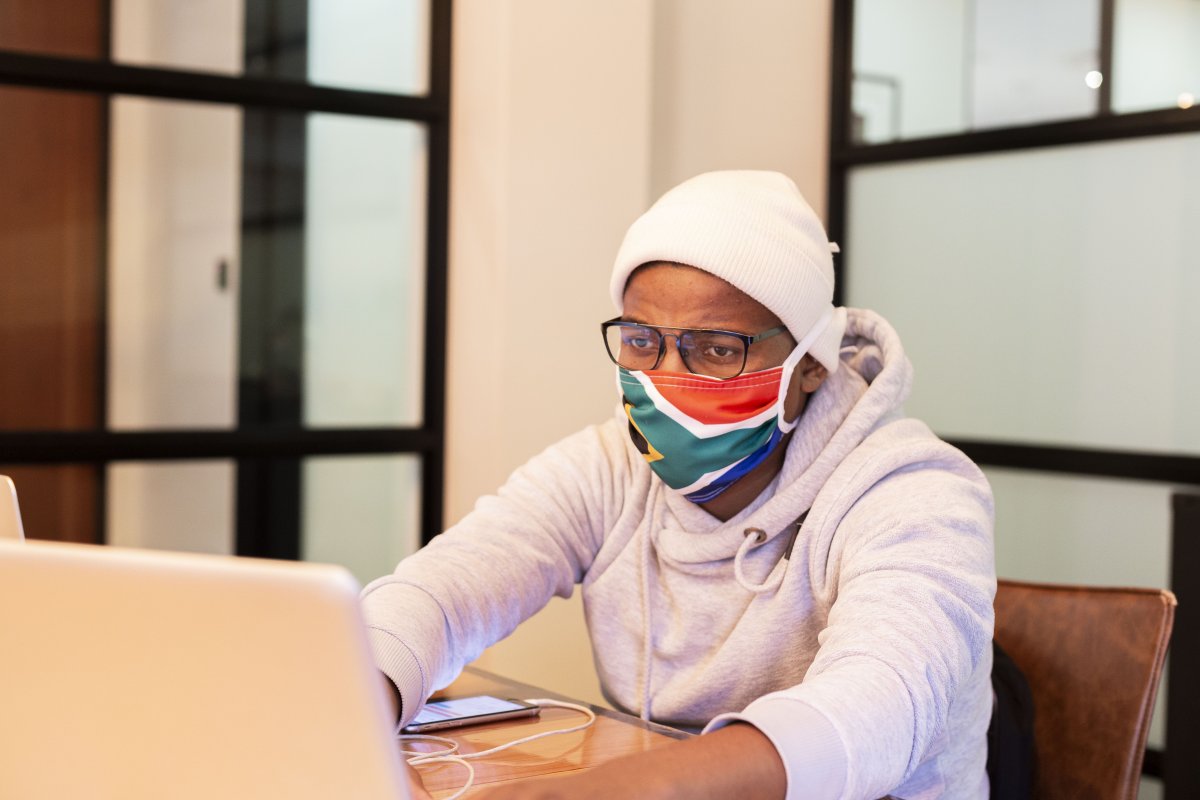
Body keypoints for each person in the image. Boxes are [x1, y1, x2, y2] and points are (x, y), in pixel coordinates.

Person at [363, 170, 997, 799]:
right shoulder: (610, 466)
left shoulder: (914, 490)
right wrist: (355, 692)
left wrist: (644, 787)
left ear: (809, 365)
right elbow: (448, 589)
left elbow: (879, 701)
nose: (666, 379)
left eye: (717, 349)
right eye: (642, 341)